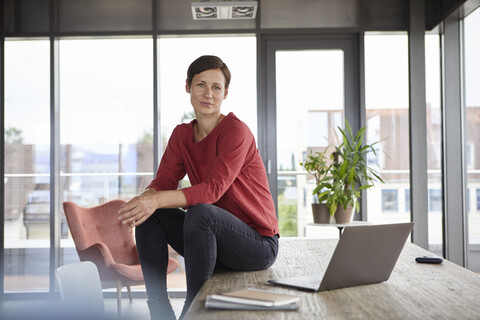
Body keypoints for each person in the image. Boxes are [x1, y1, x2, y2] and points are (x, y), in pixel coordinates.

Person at [118, 55, 279, 320]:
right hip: (210, 241)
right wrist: (145, 199)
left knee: (200, 211)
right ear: (188, 87)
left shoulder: (236, 132)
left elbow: (212, 190)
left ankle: (192, 311)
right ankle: (158, 308)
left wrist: (156, 199)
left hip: (257, 244)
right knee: (152, 212)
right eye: (200, 85)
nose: (208, 94)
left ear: (226, 93)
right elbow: (163, 183)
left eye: (216, 87)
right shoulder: (182, 135)